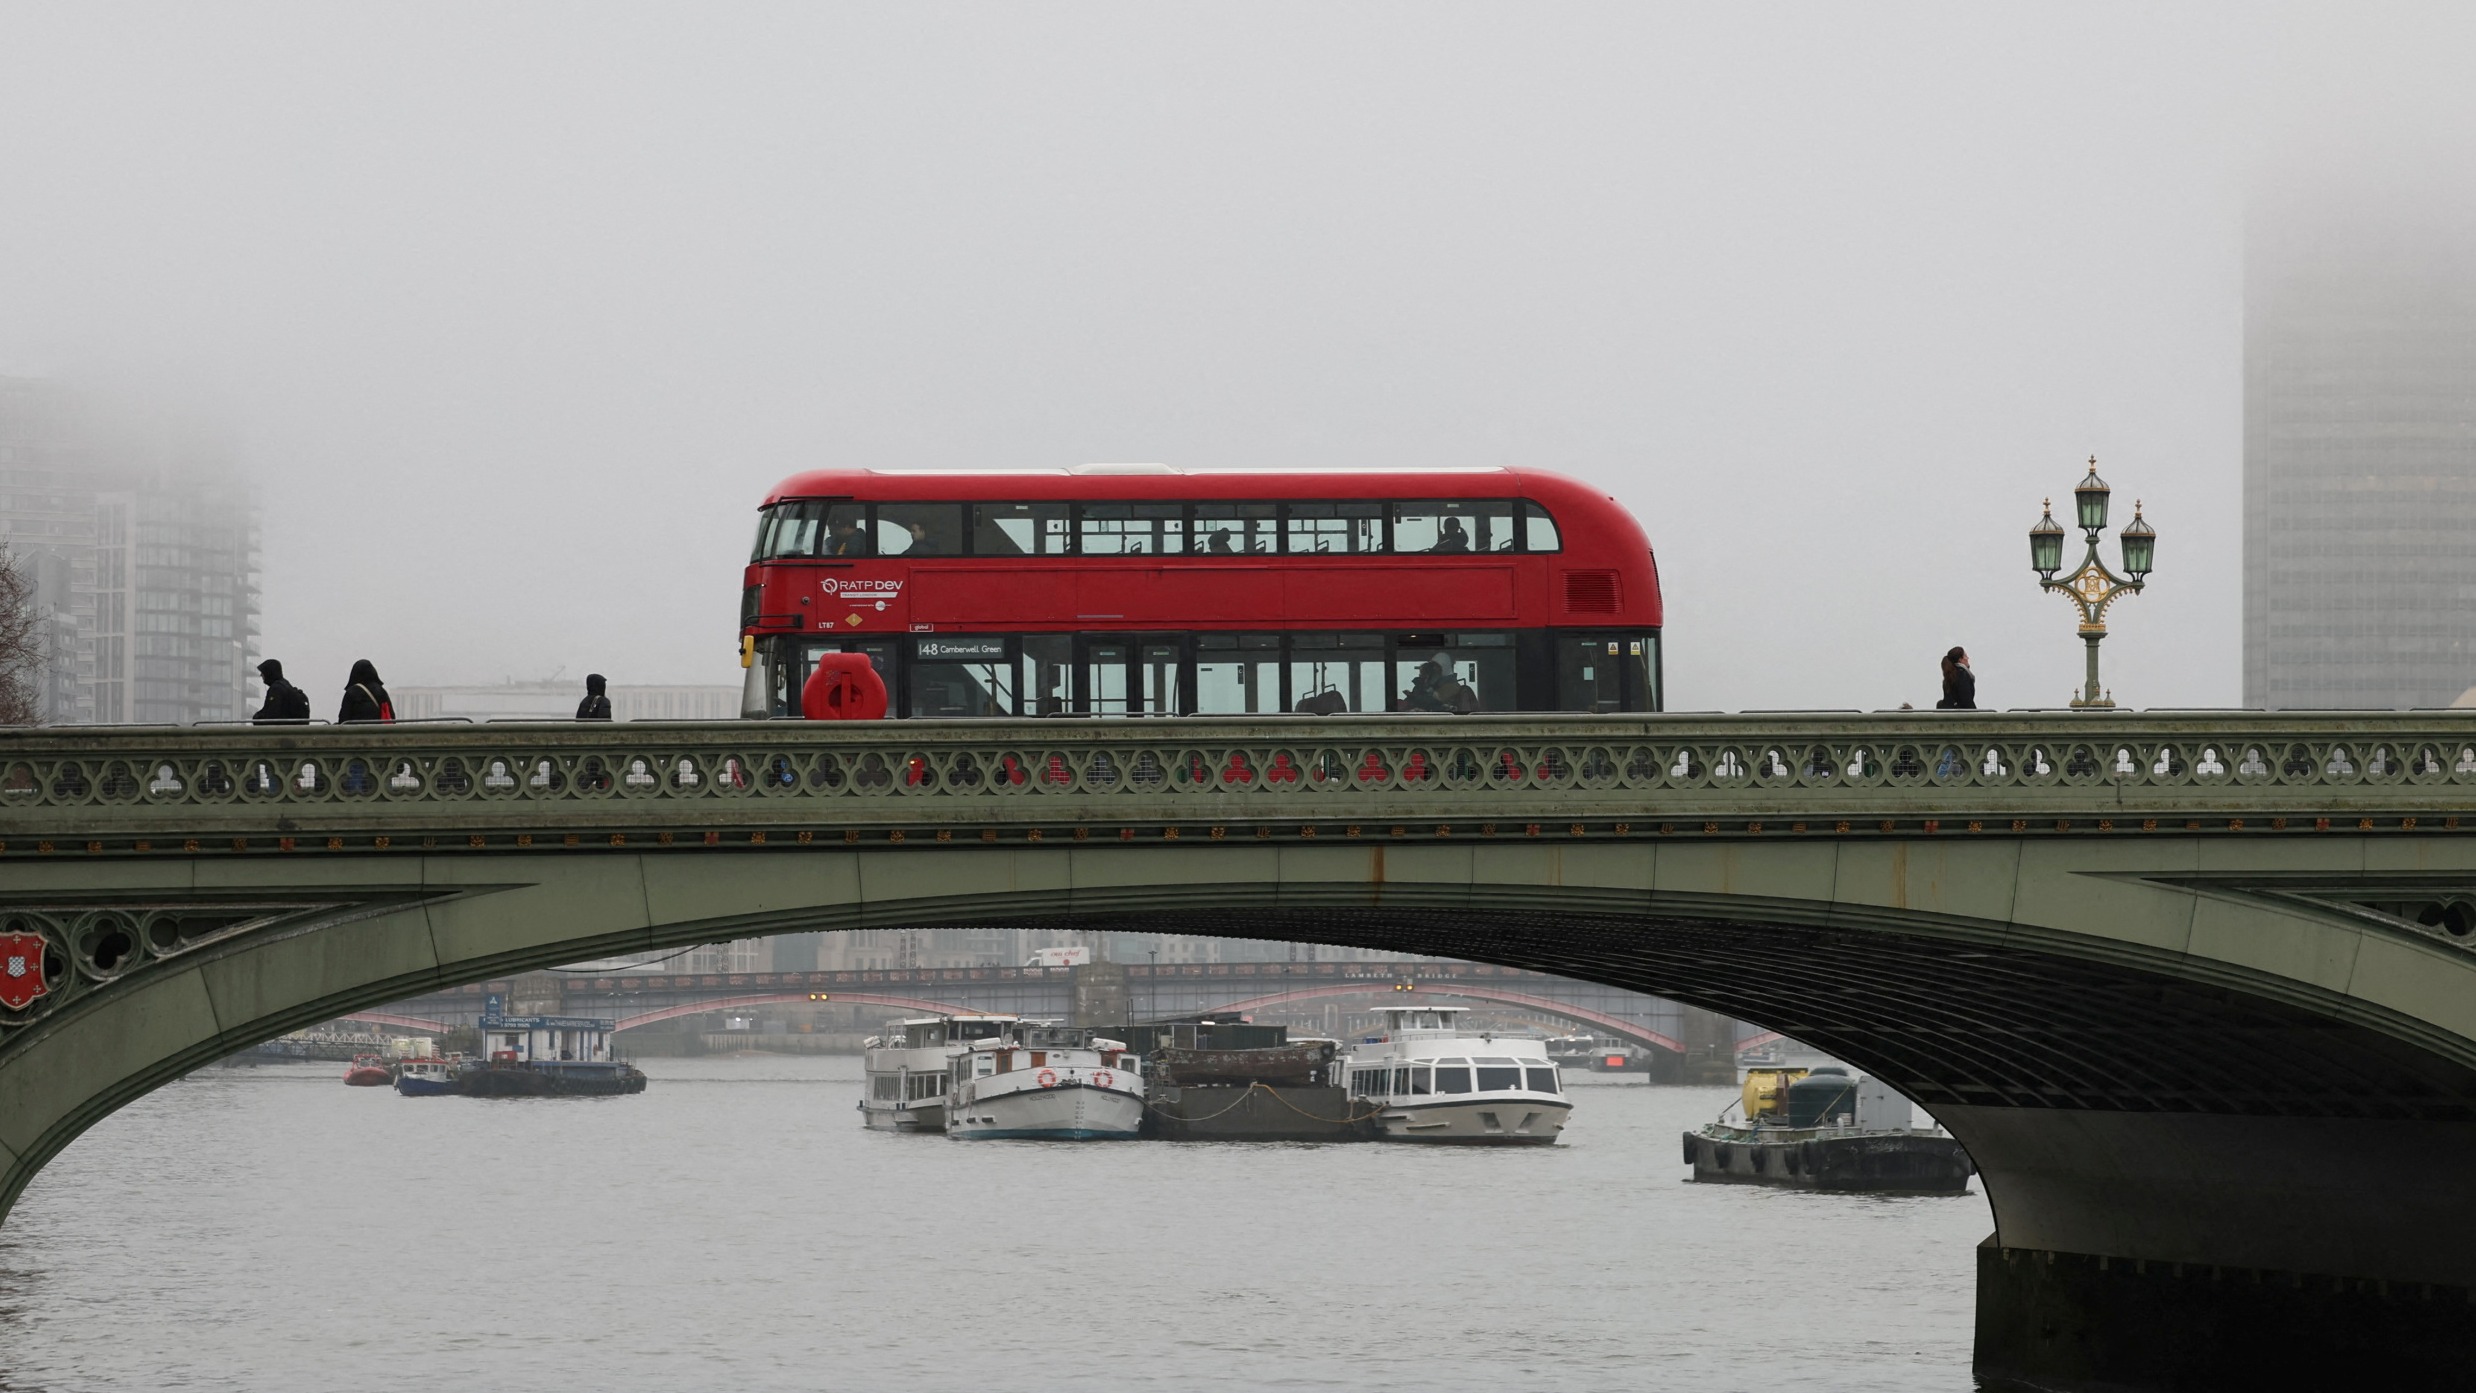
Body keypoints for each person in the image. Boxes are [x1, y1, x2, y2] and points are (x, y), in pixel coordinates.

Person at [251, 659, 311, 724]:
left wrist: (256, 718)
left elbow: (271, 715)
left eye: (263, 672)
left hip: (283, 731)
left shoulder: (276, 689)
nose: (261, 675)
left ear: (269, 672)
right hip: (295, 730)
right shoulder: (286, 686)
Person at [338, 659, 395, 723]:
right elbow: (392, 717)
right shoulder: (381, 691)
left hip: (357, 732)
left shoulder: (351, 693)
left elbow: (343, 719)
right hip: (379, 732)